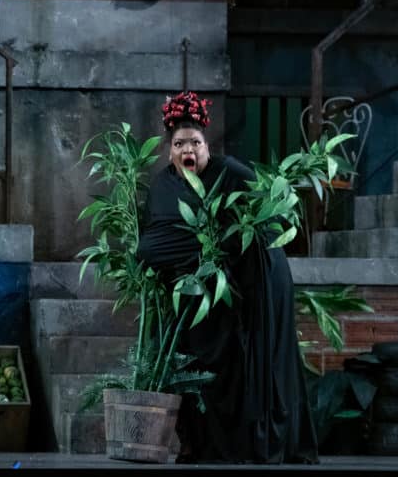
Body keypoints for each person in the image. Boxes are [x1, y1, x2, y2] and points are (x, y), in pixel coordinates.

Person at [136, 91, 319, 464]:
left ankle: (245, 444)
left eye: (195, 142)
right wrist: (192, 249)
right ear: (169, 151)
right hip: (194, 296)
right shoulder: (162, 186)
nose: (188, 149)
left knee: (241, 363)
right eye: (180, 144)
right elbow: (152, 241)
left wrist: (222, 246)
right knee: (195, 365)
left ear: (207, 146)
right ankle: (201, 443)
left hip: (246, 288)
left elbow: (270, 221)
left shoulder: (231, 173)